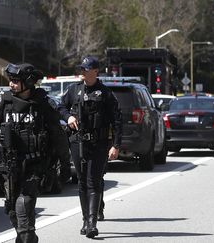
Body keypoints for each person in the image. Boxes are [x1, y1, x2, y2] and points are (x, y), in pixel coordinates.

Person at [0, 63, 71, 243]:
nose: (11, 84)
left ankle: (26, 237)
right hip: (10, 166)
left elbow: (58, 135)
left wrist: (65, 164)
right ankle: (29, 238)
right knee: (13, 211)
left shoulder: (42, 103)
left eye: (16, 81)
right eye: (10, 80)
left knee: (23, 205)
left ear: (28, 82)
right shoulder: (4, 101)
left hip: (34, 165)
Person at [58, 56, 122, 238]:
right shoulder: (74, 90)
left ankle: (92, 222)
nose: (83, 72)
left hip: (99, 144)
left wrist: (115, 145)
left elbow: (117, 121)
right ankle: (85, 220)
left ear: (95, 71)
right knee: (81, 182)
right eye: (82, 69)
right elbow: (60, 106)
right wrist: (67, 117)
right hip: (78, 142)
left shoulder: (106, 93)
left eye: (87, 69)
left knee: (93, 181)